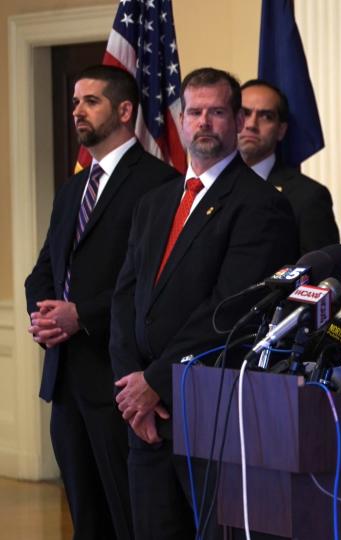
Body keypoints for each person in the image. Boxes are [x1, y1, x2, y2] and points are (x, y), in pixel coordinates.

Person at [109, 67, 298, 539]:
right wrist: (135, 394)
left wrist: (156, 382)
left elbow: (230, 310)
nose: (205, 123)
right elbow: (125, 300)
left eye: (217, 112)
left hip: (210, 414)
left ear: (237, 121)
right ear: (181, 119)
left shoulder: (260, 204)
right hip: (145, 418)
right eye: (195, 112)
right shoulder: (155, 202)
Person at [24, 65, 178, 540]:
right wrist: (45, 314)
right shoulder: (74, 186)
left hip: (120, 383)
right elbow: (45, 267)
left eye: (90, 101)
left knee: (127, 518)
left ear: (125, 110)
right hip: (66, 378)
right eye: (75, 102)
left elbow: (155, 285)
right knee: (85, 519)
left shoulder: (158, 182)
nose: (77, 111)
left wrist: (81, 316)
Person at [239, 79, 340, 255]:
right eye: (244, 113)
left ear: (281, 130)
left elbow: (321, 277)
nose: (251, 124)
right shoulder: (210, 187)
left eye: (266, 116)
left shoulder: (309, 197)